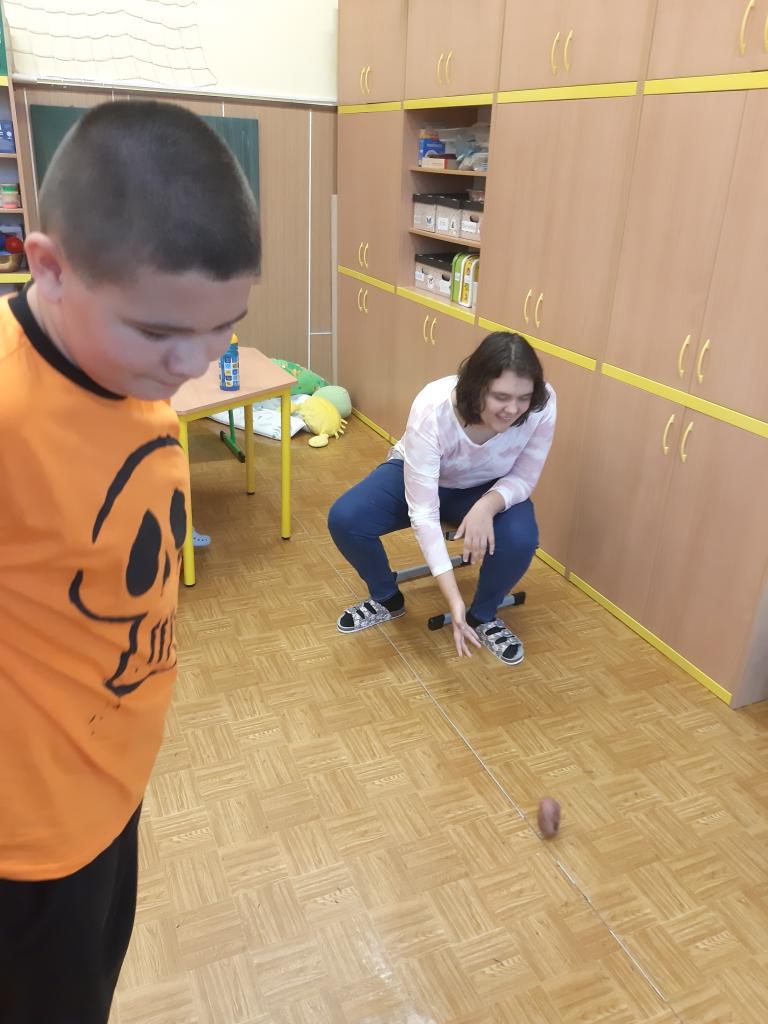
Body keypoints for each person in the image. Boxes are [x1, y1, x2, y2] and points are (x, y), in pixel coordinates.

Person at [0, 100, 260, 1024]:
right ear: (49, 267)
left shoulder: (131, 374)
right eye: (158, 333)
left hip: (112, 782)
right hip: (29, 846)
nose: (194, 362)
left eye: (226, 324)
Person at [328, 332, 556, 665]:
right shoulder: (433, 407)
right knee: (347, 519)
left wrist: (486, 505)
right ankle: (386, 598)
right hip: (421, 476)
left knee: (520, 539)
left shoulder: (542, 404)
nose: (513, 409)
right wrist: (453, 600)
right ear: (477, 386)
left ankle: (483, 616)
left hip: (486, 487)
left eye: (523, 398)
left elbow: (524, 476)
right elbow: (424, 514)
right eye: (501, 397)